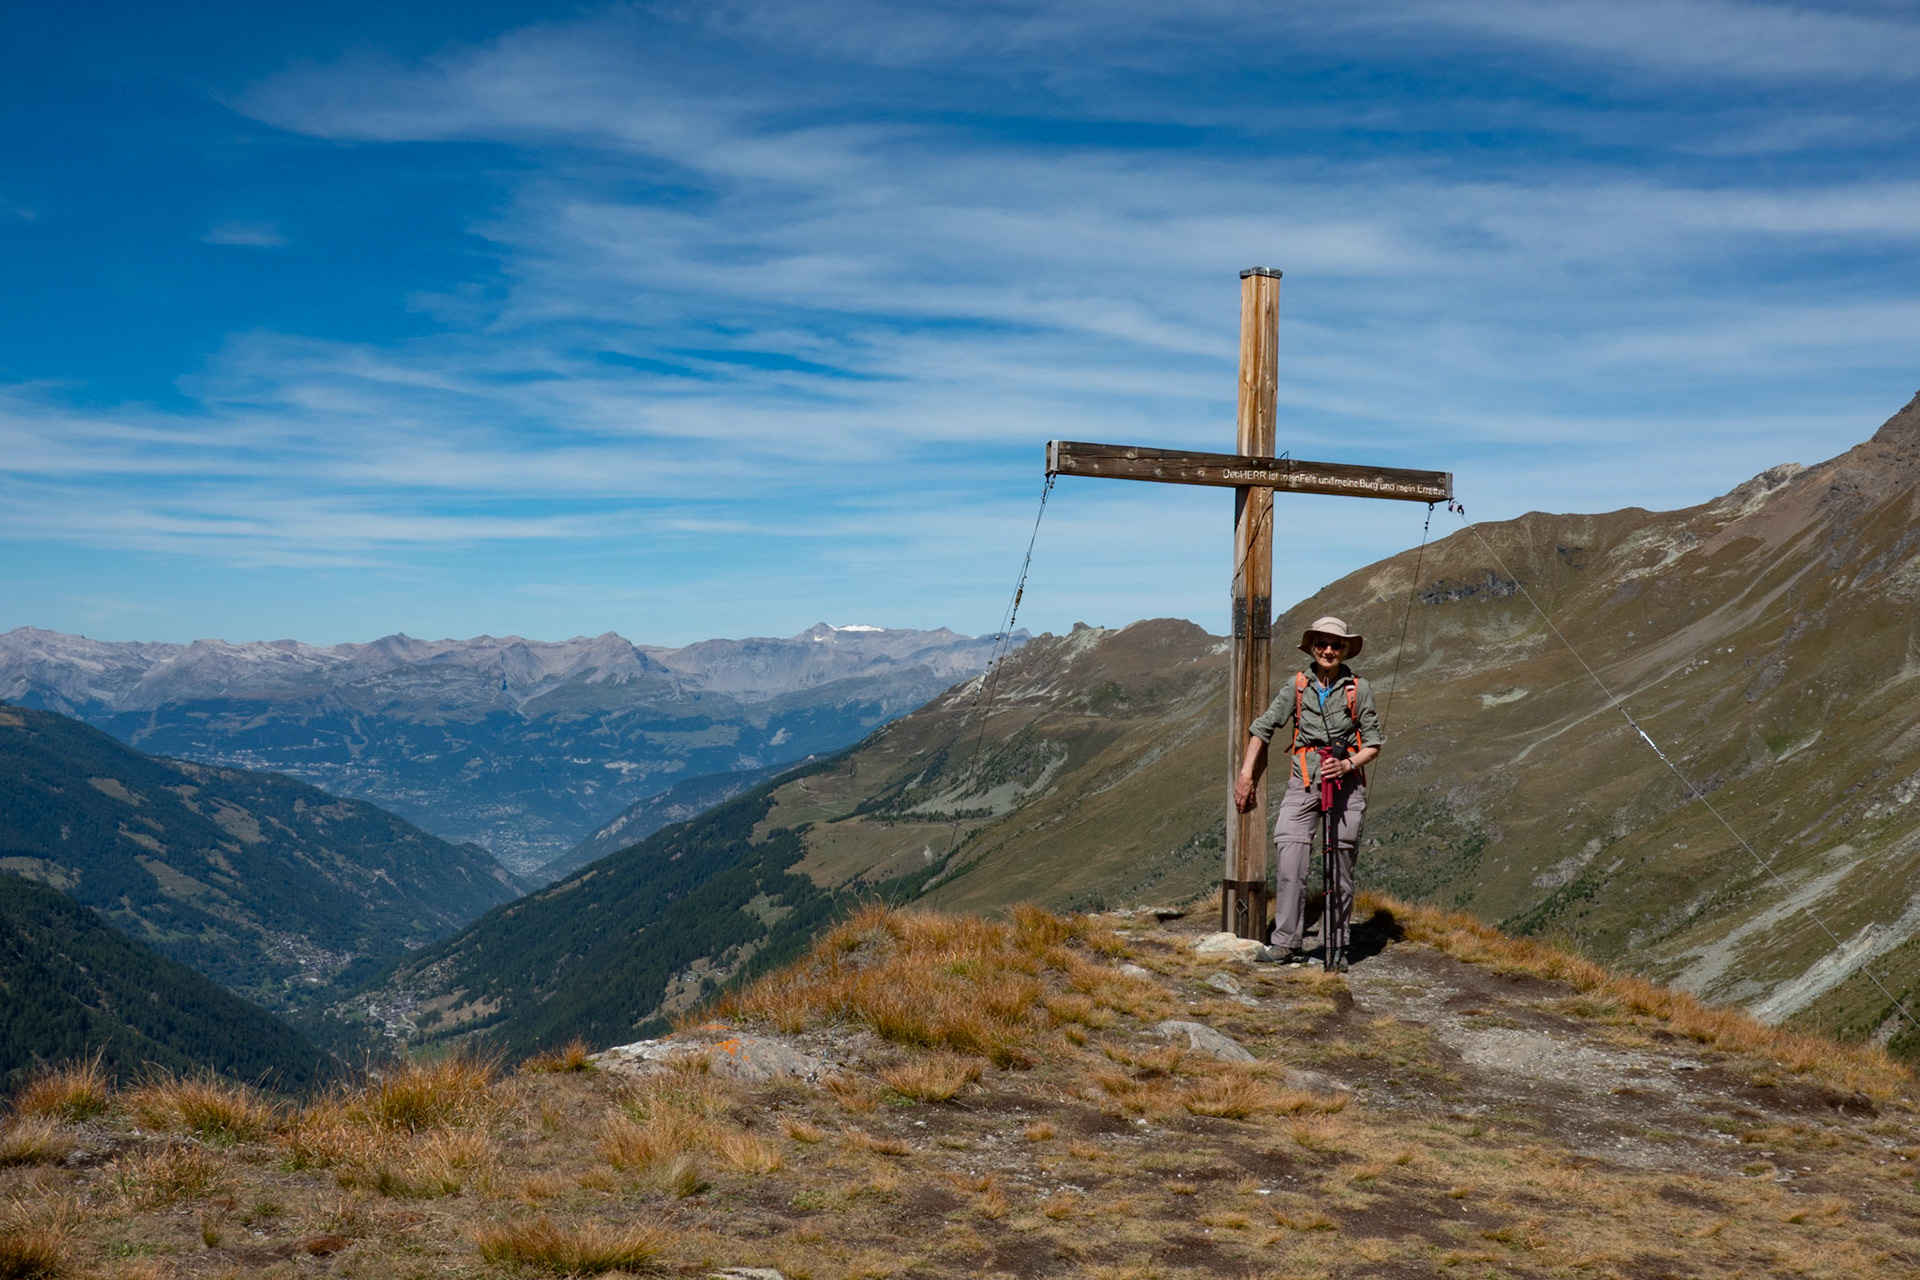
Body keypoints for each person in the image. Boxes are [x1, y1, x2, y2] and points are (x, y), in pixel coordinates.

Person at [1231, 616, 1384, 972]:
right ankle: (1286, 943)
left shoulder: (1358, 689)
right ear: (1312, 648)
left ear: (1345, 649)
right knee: (1290, 863)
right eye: (1321, 644)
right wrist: (1245, 775)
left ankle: (1336, 946)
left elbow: (1373, 743)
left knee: (1340, 868)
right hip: (1302, 783)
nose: (1328, 650)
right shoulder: (1298, 686)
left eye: (1335, 645)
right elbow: (1263, 728)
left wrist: (1346, 766)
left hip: (1346, 786)